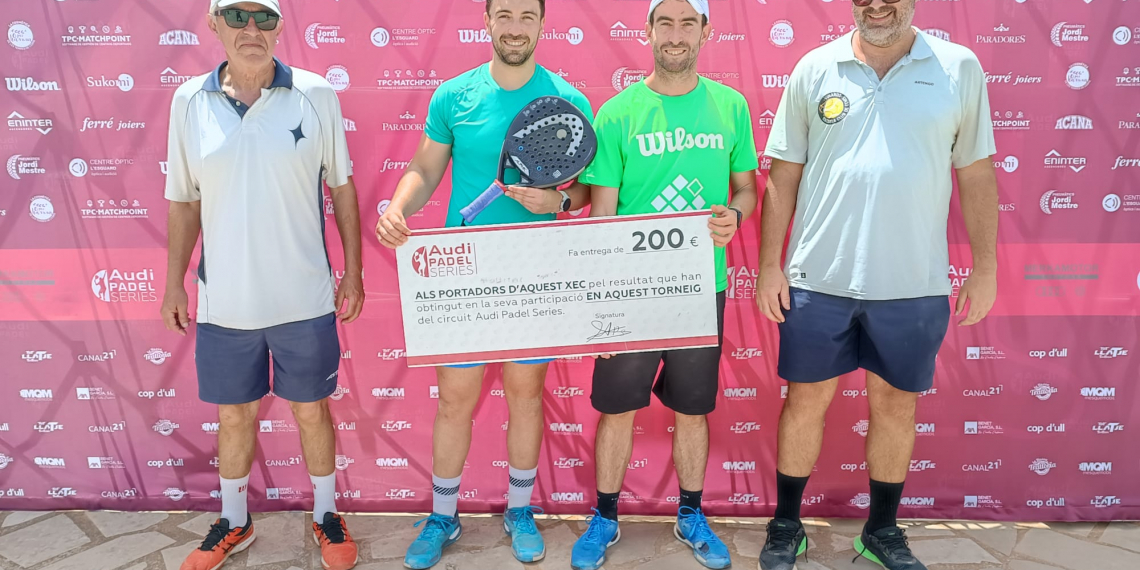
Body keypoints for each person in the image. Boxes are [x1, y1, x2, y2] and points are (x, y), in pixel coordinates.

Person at [757, 1, 998, 569]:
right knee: (804, 401)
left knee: (894, 406)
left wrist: (985, 267)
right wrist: (770, 265)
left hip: (914, 281)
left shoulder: (959, 67)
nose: (877, 4)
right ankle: (786, 524)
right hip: (818, 277)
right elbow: (783, 173)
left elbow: (976, 172)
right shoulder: (815, 67)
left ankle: (882, 530)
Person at [374, 0, 593, 567]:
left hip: (533, 270)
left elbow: (585, 191)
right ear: (488, 21)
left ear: (542, 23)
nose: (515, 27)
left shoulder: (568, 99)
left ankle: (519, 510)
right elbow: (425, 169)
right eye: (505, 15)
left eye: (526, 16)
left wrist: (557, 202)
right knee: (454, 400)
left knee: (525, 395)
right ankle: (443, 517)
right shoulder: (453, 95)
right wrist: (398, 208)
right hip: (463, 271)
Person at [162, 2, 364, 570]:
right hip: (224, 301)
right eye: (237, 17)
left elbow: (342, 186)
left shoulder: (316, 94)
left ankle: (326, 513)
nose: (252, 30)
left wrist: (353, 270)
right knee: (234, 415)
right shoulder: (187, 101)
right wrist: (174, 283)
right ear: (214, 23)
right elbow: (183, 200)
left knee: (311, 411)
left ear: (279, 26)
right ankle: (234, 520)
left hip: (304, 296)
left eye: (265, 18)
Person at [569, 1, 759, 568]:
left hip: (700, 289)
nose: (676, 35)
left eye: (687, 23)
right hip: (631, 293)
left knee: (692, 409)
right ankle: (605, 517)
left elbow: (747, 189)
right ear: (648, 31)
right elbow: (602, 216)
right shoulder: (617, 113)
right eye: (666, 23)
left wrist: (735, 215)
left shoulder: (731, 106)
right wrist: (602, 302)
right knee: (617, 409)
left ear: (705, 31)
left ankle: (691, 514)